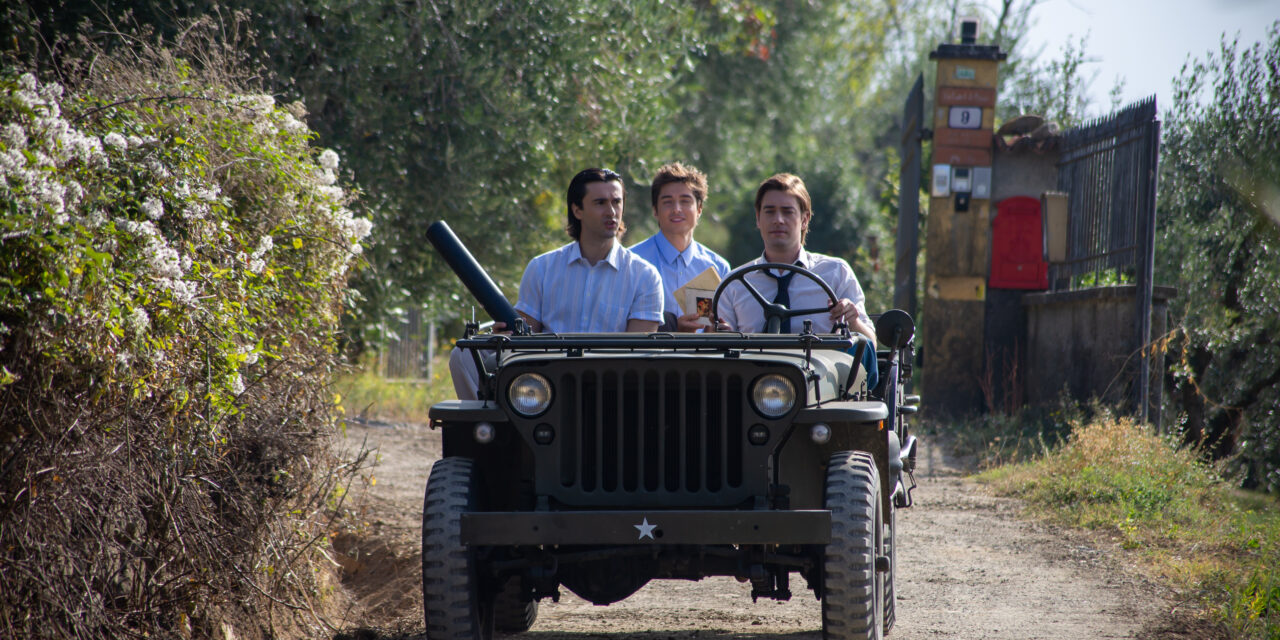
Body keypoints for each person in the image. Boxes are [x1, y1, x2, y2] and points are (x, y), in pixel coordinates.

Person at [449, 168, 663, 399]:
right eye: (600, 203)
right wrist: (508, 335)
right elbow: (524, 339)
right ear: (577, 210)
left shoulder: (645, 276)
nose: (611, 211)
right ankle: (489, 428)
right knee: (463, 354)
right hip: (544, 381)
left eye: (616, 202)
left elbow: (637, 353)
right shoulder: (542, 268)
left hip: (611, 385)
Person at [717, 173, 879, 387]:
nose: (778, 220)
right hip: (751, 391)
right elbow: (721, 354)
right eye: (770, 211)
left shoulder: (835, 273)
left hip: (822, 392)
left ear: (804, 219)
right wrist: (721, 337)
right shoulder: (735, 283)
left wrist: (852, 320)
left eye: (787, 211)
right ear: (758, 219)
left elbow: (870, 346)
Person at [629, 162, 731, 332]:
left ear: (699, 209)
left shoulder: (718, 267)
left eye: (685, 201)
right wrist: (674, 332)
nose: (676, 209)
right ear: (655, 210)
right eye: (667, 202)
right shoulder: (632, 262)